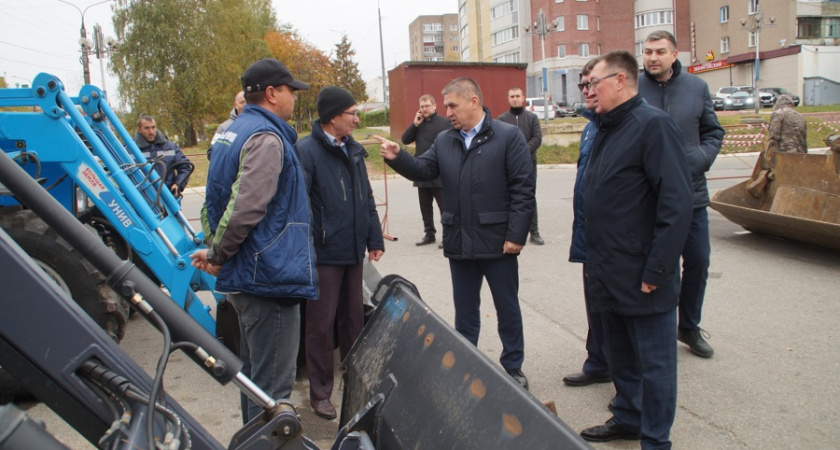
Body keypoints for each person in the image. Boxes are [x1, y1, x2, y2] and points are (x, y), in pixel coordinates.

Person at [376, 77, 535, 390]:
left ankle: (513, 366)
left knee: (507, 307)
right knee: (465, 312)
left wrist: (517, 235)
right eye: (445, 105)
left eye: (452, 104)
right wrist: (399, 157)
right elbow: (424, 170)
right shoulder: (446, 140)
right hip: (459, 241)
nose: (447, 111)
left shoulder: (508, 137)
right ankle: (466, 364)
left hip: (498, 243)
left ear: (473, 101)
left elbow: (523, 189)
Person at [190, 58, 317, 423]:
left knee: (255, 385)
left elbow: (214, 201)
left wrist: (217, 250)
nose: (295, 97)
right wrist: (217, 254)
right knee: (272, 398)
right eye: (292, 90)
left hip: (249, 275)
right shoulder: (266, 137)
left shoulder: (232, 131)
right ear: (273, 93)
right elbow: (245, 206)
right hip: (268, 280)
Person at [578, 51, 693, 449]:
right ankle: (628, 417)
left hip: (644, 274)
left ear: (622, 81)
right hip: (608, 269)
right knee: (622, 358)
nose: (590, 91)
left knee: (655, 366)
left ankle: (655, 440)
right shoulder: (606, 127)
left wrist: (658, 270)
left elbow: (676, 204)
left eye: (595, 83)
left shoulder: (653, 126)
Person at [296, 86, 385, 420]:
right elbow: (299, 204)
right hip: (323, 255)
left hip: (352, 251)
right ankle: (320, 393)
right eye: (352, 114)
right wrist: (308, 248)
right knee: (320, 326)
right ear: (333, 116)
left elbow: (366, 197)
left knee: (353, 320)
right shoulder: (306, 151)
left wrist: (374, 238)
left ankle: (354, 379)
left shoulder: (354, 150)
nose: (357, 119)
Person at [638, 30, 725, 359]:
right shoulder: (633, 87)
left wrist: (701, 158)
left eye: (660, 51)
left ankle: (688, 326)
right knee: (654, 266)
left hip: (692, 195)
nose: (653, 58)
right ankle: (650, 330)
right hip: (647, 198)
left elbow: (713, 131)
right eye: (647, 52)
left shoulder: (696, 87)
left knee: (699, 260)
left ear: (675, 55)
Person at [562, 57, 612, 388]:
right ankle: (598, 361)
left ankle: (624, 377)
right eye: (583, 84)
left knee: (614, 307)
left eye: (592, 83)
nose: (587, 90)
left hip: (615, 237)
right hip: (589, 232)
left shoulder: (628, 125)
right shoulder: (590, 127)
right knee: (594, 302)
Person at [401, 94, 450, 248]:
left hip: (439, 172)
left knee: (444, 208)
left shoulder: (445, 122)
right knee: (425, 208)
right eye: (421, 106)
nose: (424, 109)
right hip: (421, 171)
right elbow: (405, 139)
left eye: (427, 106)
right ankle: (429, 234)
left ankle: (448, 236)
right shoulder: (419, 124)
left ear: (434, 106)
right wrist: (414, 124)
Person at [497, 87, 544, 245]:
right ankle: (509, 231)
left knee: (528, 197)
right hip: (508, 166)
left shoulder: (532, 118)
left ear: (523, 98)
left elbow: (537, 139)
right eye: (512, 96)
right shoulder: (502, 119)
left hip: (528, 164)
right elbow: (499, 141)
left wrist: (521, 152)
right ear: (508, 98)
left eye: (518, 96)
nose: (515, 99)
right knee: (508, 197)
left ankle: (534, 232)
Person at [134, 115, 192, 197]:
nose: (151, 132)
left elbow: (185, 167)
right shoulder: (129, 150)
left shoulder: (170, 146)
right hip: (142, 199)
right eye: (146, 128)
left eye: (153, 127)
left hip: (168, 197)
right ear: (139, 129)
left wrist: (178, 184)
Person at [207, 90, 246, 160]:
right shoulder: (224, 127)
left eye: (248, 102)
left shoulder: (259, 125)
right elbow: (211, 153)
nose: (245, 105)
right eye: (242, 102)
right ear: (235, 105)